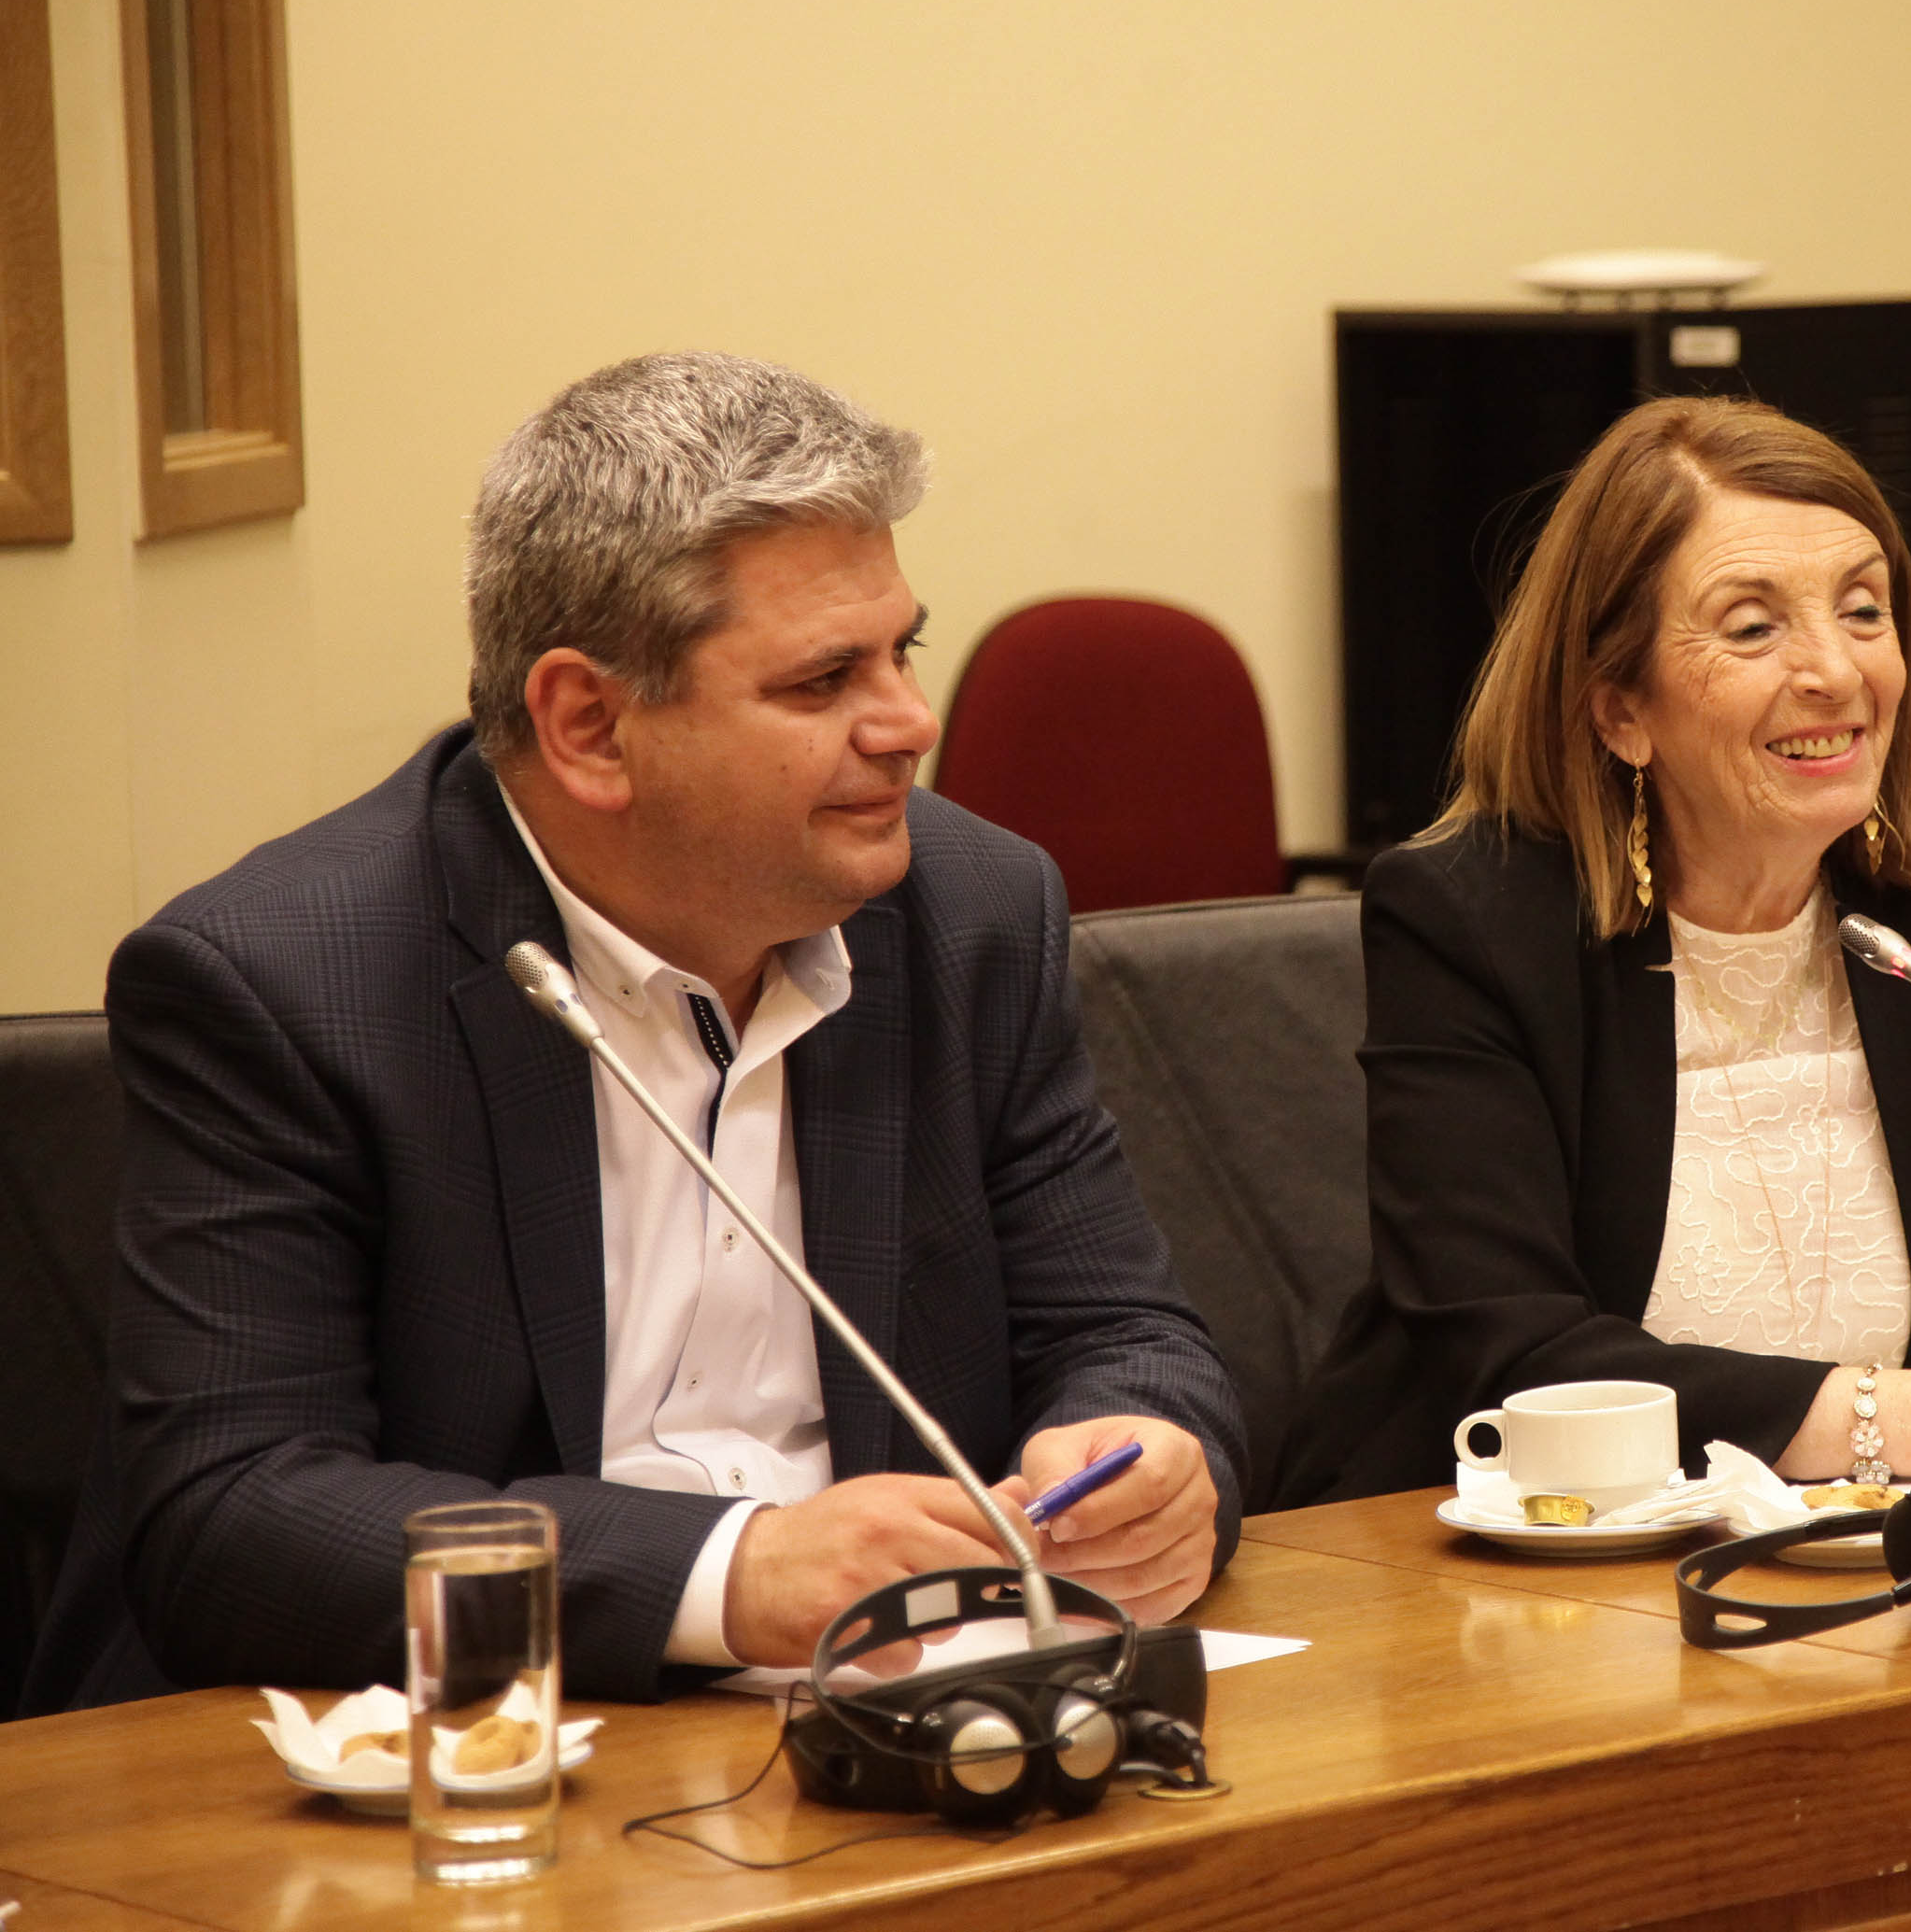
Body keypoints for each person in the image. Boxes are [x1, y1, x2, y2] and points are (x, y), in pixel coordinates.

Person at [27, 354, 1245, 1712]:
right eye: (823, 679)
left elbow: (1123, 1328)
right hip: (463, 1740)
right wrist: (730, 1572)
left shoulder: (974, 913)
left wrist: (1146, 1451)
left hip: (901, 1711)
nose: (912, 721)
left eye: (901, 649)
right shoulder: (283, 982)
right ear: (591, 725)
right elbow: (234, 1518)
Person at [1281, 396, 1911, 1505]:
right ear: (1620, 710)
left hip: (1898, 1552)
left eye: (1863, 610)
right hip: (1496, 1563)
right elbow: (1517, 1363)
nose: (1837, 672)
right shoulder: (1474, 916)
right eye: (1754, 627)